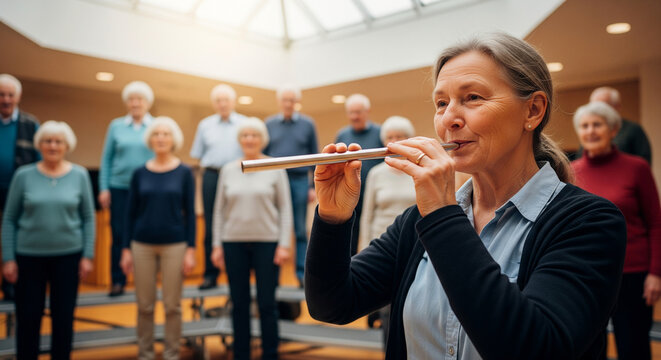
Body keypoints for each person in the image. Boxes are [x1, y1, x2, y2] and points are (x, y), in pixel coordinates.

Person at [305, 33, 627, 359]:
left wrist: (444, 215)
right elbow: (332, 303)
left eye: (472, 97)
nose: (449, 119)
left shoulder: (589, 222)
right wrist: (333, 217)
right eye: (441, 103)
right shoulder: (418, 222)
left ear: (533, 110)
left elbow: (535, 347)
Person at [571, 101, 661, 360]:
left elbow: (655, 221)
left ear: (613, 130)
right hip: (587, 273)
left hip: (632, 274)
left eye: (597, 125)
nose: (590, 131)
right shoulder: (572, 171)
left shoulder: (637, 168)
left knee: (633, 345)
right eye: (584, 126)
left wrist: (655, 273)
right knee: (586, 346)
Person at [2, 121, 95, 360]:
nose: (53, 146)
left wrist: (87, 255)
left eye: (58, 141)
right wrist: (8, 258)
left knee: (63, 318)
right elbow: (10, 218)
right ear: (39, 144)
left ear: (67, 146)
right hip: (29, 258)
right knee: (29, 317)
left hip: (68, 257)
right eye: (47, 141)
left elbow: (88, 217)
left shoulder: (79, 175)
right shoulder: (23, 176)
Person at [211, 117, 292, 360]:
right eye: (245, 135)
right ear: (240, 140)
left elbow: (285, 208)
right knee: (239, 304)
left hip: (267, 243)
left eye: (254, 135)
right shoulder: (227, 169)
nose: (249, 139)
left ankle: (270, 353)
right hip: (233, 242)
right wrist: (216, 245)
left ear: (262, 139)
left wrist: (284, 244)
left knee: (267, 304)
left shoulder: (275, 167)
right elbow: (219, 211)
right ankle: (241, 354)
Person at [120, 116, 196, 360]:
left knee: (173, 306)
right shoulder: (139, 173)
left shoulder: (184, 172)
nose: (161, 138)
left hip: (175, 244)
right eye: (156, 134)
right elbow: (130, 213)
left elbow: (190, 214)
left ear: (173, 139)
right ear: (150, 139)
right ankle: (146, 354)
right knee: (145, 306)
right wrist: (125, 249)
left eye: (166, 134)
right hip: (141, 245)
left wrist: (191, 249)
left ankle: (172, 354)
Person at [99, 80, 155, 297]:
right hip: (119, 187)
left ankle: (143, 279)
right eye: (131, 99)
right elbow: (107, 159)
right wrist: (104, 188)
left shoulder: (156, 126)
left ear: (147, 103)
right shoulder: (116, 126)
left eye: (139, 99)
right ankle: (118, 280)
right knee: (120, 235)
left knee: (144, 234)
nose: (135, 103)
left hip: (147, 190)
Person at [190, 84, 246, 290]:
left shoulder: (244, 123)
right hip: (211, 176)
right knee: (211, 225)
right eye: (218, 101)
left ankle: (236, 273)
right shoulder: (205, 125)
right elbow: (197, 154)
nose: (222, 104)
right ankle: (210, 274)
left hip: (237, 175)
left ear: (233, 102)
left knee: (236, 223)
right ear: (214, 104)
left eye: (226, 100)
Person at [264, 84, 318, 287]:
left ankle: (301, 275)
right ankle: (273, 275)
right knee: (274, 228)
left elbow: (315, 156)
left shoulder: (307, 124)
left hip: (298, 181)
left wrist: (312, 186)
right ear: (279, 102)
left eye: (291, 100)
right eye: (284, 100)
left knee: (299, 230)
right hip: (274, 181)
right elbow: (264, 154)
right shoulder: (269, 124)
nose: (288, 104)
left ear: (297, 102)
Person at [0, 74, 40, 302]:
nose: (6, 99)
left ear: (18, 97)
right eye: (2, 95)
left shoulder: (30, 123)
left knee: (15, 236)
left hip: (20, 191)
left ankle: (11, 283)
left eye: (10, 95)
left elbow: (39, 159)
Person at [335, 93, 383, 255]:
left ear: (367, 111)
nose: (354, 116)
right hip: (350, 194)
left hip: (374, 195)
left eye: (358, 112)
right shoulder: (342, 135)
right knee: (348, 235)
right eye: (351, 112)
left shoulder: (380, 133)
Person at [590, 86, 652, 164]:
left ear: (617, 107)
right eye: (593, 107)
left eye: (603, 107)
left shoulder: (633, 130)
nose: (597, 111)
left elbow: (644, 164)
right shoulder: (588, 133)